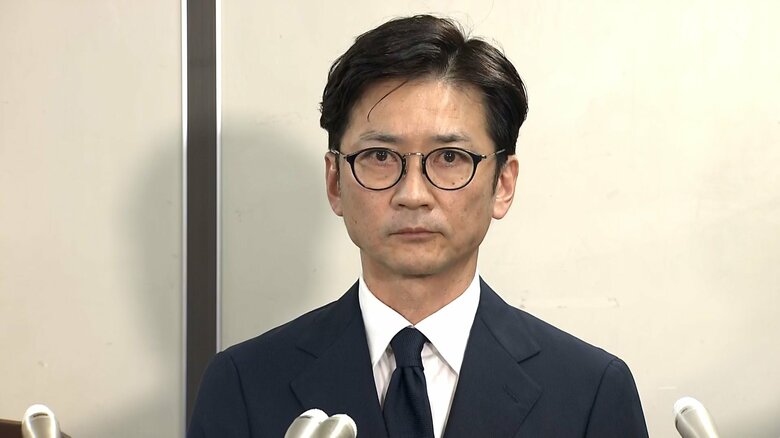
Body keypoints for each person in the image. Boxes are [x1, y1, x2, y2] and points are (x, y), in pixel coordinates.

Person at [188, 15, 649, 438]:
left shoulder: (590, 392)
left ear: (503, 184)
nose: (412, 194)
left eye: (449, 157)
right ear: (334, 182)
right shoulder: (243, 385)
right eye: (380, 156)